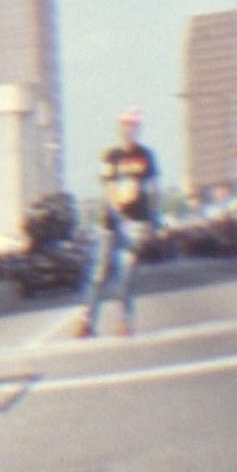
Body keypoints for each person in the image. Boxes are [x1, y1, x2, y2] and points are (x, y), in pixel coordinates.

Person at [75, 108, 161, 338]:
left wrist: (153, 220)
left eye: (133, 125)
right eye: (125, 125)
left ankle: (123, 320)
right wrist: (117, 212)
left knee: (126, 273)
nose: (129, 129)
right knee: (99, 273)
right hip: (110, 223)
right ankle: (86, 320)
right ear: (119, 128)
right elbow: (108, 188)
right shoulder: (110, 156)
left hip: (137, 221)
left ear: (138, 129)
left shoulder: (146, 156)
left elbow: (153, 190)